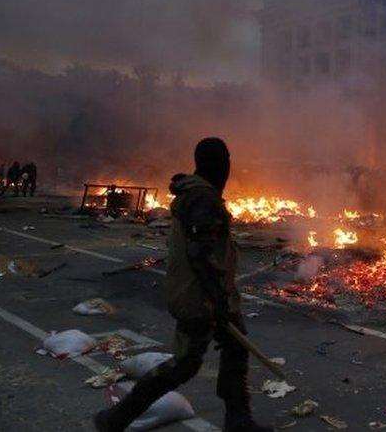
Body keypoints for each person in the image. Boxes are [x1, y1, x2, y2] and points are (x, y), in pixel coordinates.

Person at [94, 138, 271, 432]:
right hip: (201, 299)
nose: (228, 166)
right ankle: (117, 418)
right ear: (218, 164)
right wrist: (217, 302)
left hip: (208, 295)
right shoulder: (203, 198)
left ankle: (238, 420)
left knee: (235, 352)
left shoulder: (198, 193)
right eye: (225, 160)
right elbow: (201, 253)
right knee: (184, 365)